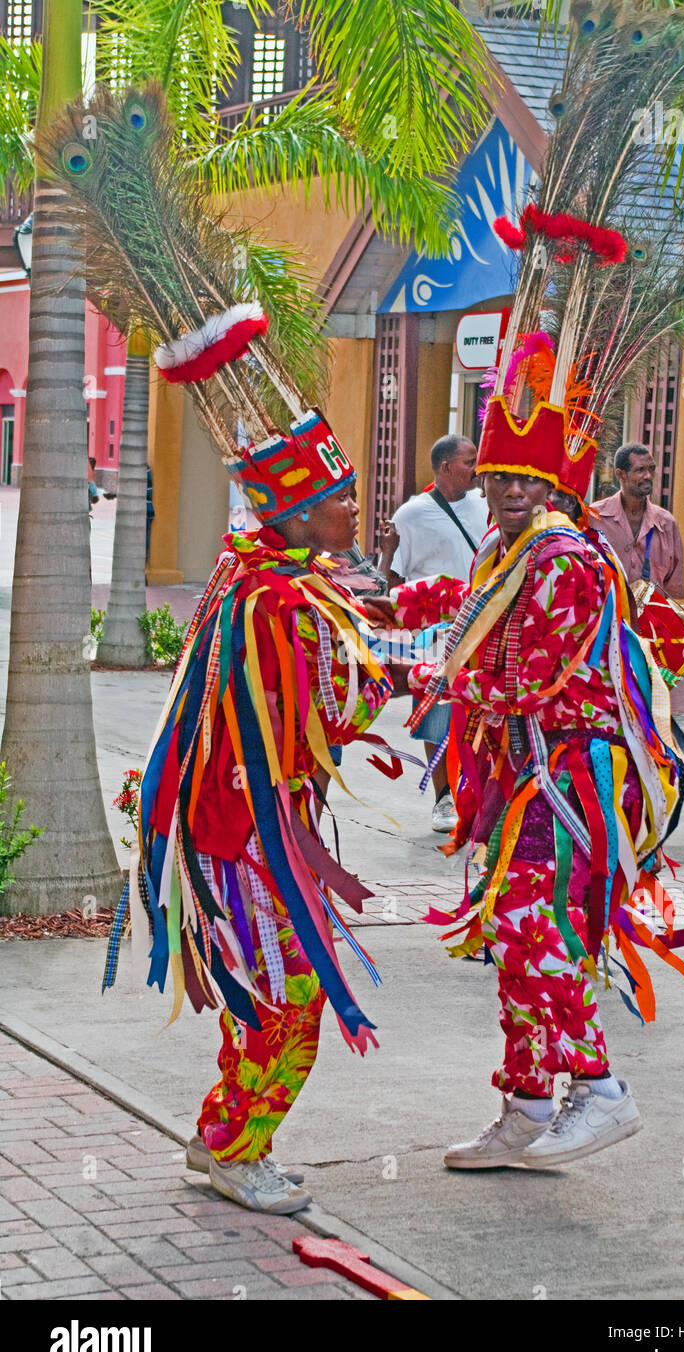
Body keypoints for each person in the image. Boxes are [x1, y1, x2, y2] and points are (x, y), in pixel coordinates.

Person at [392, 393, 684, 1172]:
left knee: (535, 934)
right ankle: (530, 1101)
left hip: (573, 770)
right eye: (500, 475)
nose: (510, 492)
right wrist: (388, 610)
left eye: (528, 482)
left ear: (557, 490)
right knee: (513, 938)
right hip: (526, 768)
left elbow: (525, 680)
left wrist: (415, 678)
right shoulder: (505, 555)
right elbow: (467, 617)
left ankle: (600, 1088)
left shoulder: (565, 558)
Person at [114, 421, 414, 1216]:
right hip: (247, 839)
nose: (353, 509)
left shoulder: (248, 571)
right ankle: (240, 1153)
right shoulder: (280, 598)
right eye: (339, 499)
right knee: (293, 1001)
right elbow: (332, 711)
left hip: (234, 822)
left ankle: (218, 1135)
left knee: (265, 995)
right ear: (298, 516)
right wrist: (395, 680)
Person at [380, 434, 488, 833]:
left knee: (483, 709)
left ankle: (481, 794)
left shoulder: (486, 504)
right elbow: (394, 579)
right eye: (468, 461)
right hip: (436, 632)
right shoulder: (412, 514)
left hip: (484, 622)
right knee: (438, 714)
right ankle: (443, 798)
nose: (476, 469)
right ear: (445, 467)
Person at [591, 443, 684, 597]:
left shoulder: (667, 523)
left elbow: (674, 587)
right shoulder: (594, 517)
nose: (648, 476)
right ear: (621, 474)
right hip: (606, 615)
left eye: (651, 469)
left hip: (652, 617)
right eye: (640, 470)